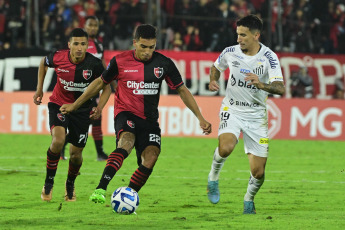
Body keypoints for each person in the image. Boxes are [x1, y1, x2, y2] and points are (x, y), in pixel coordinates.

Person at [60, 24, 212, 204]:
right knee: (126, 143)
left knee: (151, 157)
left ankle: (128, 196)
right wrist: (75, 105)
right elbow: (100, 83)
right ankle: (100, 188)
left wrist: (200, 117)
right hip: (126, 114)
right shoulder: (119, 61)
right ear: (135, 43)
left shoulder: (164, 64)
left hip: (149, 120)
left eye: (151, 47)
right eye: (143, 47)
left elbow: (182, 90)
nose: (147, 51)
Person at [206, 15, 285, 214]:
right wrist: (213, 80)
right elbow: (216, 67)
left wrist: (261, 84)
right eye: (238, 34)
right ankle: (213, 178)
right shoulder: (230, 52)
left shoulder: (269, 58)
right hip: (232, 109)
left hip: (256, 116)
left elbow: (280, 88)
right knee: (226, 147)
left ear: (256, 35)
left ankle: (248, 199)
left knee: (258, 172)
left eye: (243, 35)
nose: (239, 39)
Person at [33, 28, 111, 202]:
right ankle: (48, 183)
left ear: (88, 46)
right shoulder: (58, 57)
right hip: (59, 105)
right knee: (58, 140)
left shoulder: (95, 64)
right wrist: (39, 88)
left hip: (83, 111)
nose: (79, 48)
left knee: (76, 155)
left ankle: (70, 184)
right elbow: (43, 63)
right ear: (69, 45)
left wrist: (100, 108)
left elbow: (107, 87)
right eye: (75, 43)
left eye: (83, 44)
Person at [60, 16, 110, 161]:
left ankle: (99, 152)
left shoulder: (99, 46)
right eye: (90, 25)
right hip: (78, 89)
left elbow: (103, 66)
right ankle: (62, 146)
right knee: (85, 122)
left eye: (95, 25)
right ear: (85, 26)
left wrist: (113, 83)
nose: (93, 28)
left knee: (95, 119)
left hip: (93, 90)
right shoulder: (79, 44)